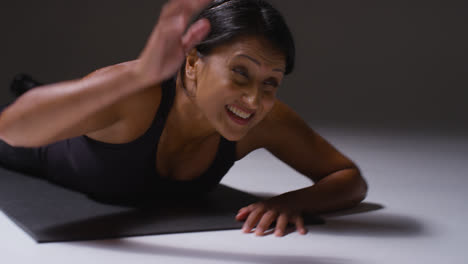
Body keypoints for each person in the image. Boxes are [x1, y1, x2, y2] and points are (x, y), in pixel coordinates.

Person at [0, 0, 368, 237]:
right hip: (37, 146)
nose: (254, 98)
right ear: (192, 62)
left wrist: (290, 203)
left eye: (270, 82)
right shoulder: (136, 94)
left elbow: (349, 180)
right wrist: (138, 75)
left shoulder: (263, 119)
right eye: (240, 72)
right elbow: (12, 129)